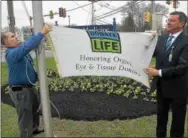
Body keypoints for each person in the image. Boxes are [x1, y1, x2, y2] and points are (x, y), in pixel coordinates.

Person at [1, 24, 52, 138]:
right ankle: (26, 135)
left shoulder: (18, 49)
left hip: (29, 87)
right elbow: (27, 47)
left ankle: (34, 128)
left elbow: (29, 43)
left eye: (15, 35)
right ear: (6, 43)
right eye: (12, 36)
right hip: (20, 90)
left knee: (34, 109)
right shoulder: (12, 54)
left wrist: (35, 34)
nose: (16, 36)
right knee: (25, 115)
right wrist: (41, 33)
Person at [145, 11, 188, 138]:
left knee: (177, 122)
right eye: (167, 20)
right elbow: (148, 53)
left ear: (181, 24)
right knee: (161, 119)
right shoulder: (161, 39)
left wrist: (158, 72)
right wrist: (149, 40)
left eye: (172, 20)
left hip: (178, 89)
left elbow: (182, 67)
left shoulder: (186, 42)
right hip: (162, 87)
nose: (168, 22)